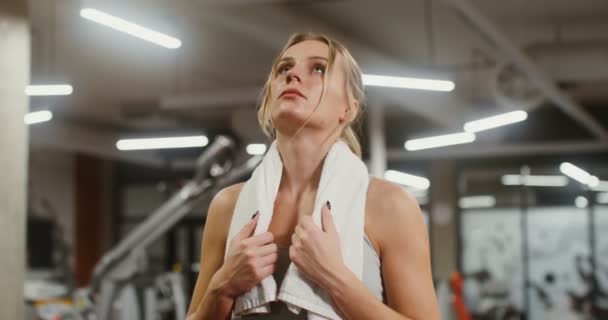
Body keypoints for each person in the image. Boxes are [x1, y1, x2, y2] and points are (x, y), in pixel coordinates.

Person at [187, 32, 439, 320]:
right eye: (284, 68)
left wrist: (334, 278)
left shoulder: (389, 205)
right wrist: (223, 287)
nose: (293, 75)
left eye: (318, 68)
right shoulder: (228, 206)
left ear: (348, 108)